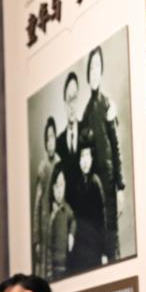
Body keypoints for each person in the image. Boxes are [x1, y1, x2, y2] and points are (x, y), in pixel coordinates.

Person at [81, 45, 125, 261]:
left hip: (109, 186)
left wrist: (120, 187)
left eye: (97, 67)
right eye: (91, 68)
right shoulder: (85, 113)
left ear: (101, 71)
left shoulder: (108, 105)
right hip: (93, 192)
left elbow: (116, 147)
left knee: (112, 241)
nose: (94, 72)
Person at [67, 129, 107, 272]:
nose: (84, 160)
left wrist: (104, 251)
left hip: (94, 245)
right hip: (79, 246)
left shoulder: (96, 182)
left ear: (92, 158)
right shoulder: (75, 185)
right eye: (82, 156)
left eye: (87, 155)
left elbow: (102, 219)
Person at [32, 117, 59, 279]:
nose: (50, 142)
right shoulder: (42, 167)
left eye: (52, 137)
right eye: (47, 139)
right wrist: (36, 239)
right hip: (44, 230)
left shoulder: (60, 163)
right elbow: (37, 205)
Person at [54, 72, 83, 204]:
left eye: (74, 98)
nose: (72, 105)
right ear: (64, 103)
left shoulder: (87, 131)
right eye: (68, 99)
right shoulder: (58, 143)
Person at [46, 162, 76, 282]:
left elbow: (73, 220)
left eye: (62, 185)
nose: (59, 190)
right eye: (57, 186)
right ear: (52, 188)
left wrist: (71, 234)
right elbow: (47, 245)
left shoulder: (67, 209)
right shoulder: (50, 214)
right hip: (52, 267)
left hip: (65, 264)